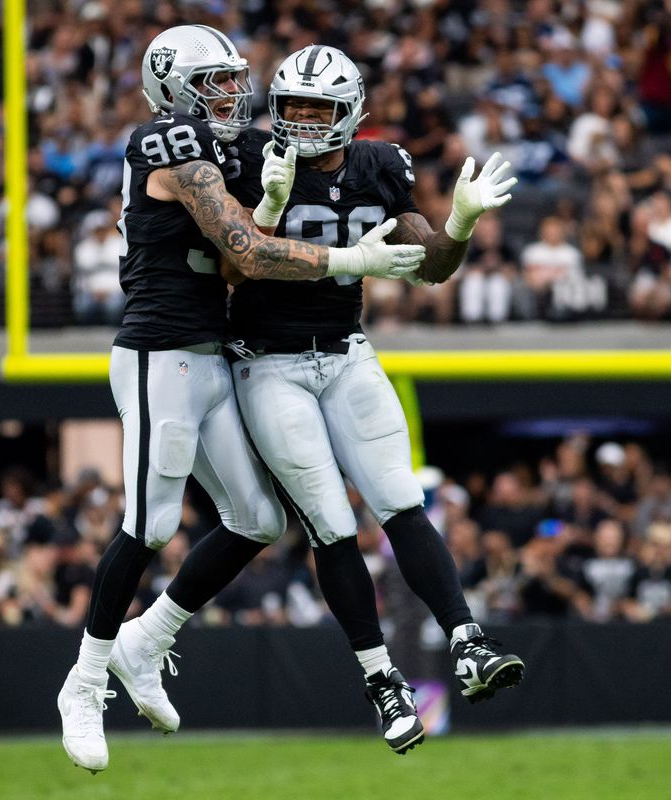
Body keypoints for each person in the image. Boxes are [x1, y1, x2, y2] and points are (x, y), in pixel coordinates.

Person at [57, 26, 425, 774]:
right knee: (150, 523)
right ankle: (84, 682)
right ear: (173, 92)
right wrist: (356, 258)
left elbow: (258, 237)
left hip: (213, 350)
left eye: (233, 80)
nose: (233, 94)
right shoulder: (164, 143)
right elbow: (250, 254)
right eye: (213, 84)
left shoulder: (231, 148)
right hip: (160, 351)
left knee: (258, 517)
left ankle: (147, 640)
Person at [217, 45, 523, 749]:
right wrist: (266, 201)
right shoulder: (254, 158)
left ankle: (469, 642)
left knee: (401, 504)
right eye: (290, 104)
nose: (298, 119)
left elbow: (429, 268)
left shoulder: (379, 165)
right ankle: (383, 682)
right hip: (269, 364)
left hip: (347, 355)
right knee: (330, 523)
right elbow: (233, 268)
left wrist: (461, 224)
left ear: (348, 113)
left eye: (315, 108)